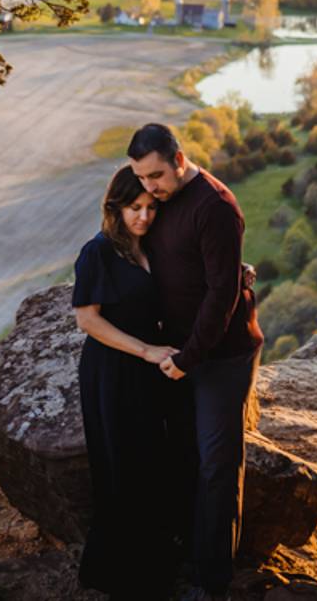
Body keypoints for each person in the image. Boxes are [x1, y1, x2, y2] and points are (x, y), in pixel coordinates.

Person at [128, 123, 264, 600]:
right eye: (141, 178)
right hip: (181, 353)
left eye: (157, 176)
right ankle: (187, 555)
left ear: (180, 160)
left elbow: (222, 293)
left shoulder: (216, 207)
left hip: (220, 355)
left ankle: (214, 581)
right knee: (185, 456)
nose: (150, 188)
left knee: (217, 464)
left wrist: (190, 357)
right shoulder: (160, 201)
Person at [71, 166, 175, 599]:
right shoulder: (98, 252)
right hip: (112, 372)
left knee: (152, 465)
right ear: (116, 207)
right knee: (120, 467)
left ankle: (153, 567)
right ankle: (119, 575)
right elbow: (87, 320)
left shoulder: (154, 247)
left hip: (150, 374)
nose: (144, 217)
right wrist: (147, 350)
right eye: (135, 208)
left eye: (151, 208)